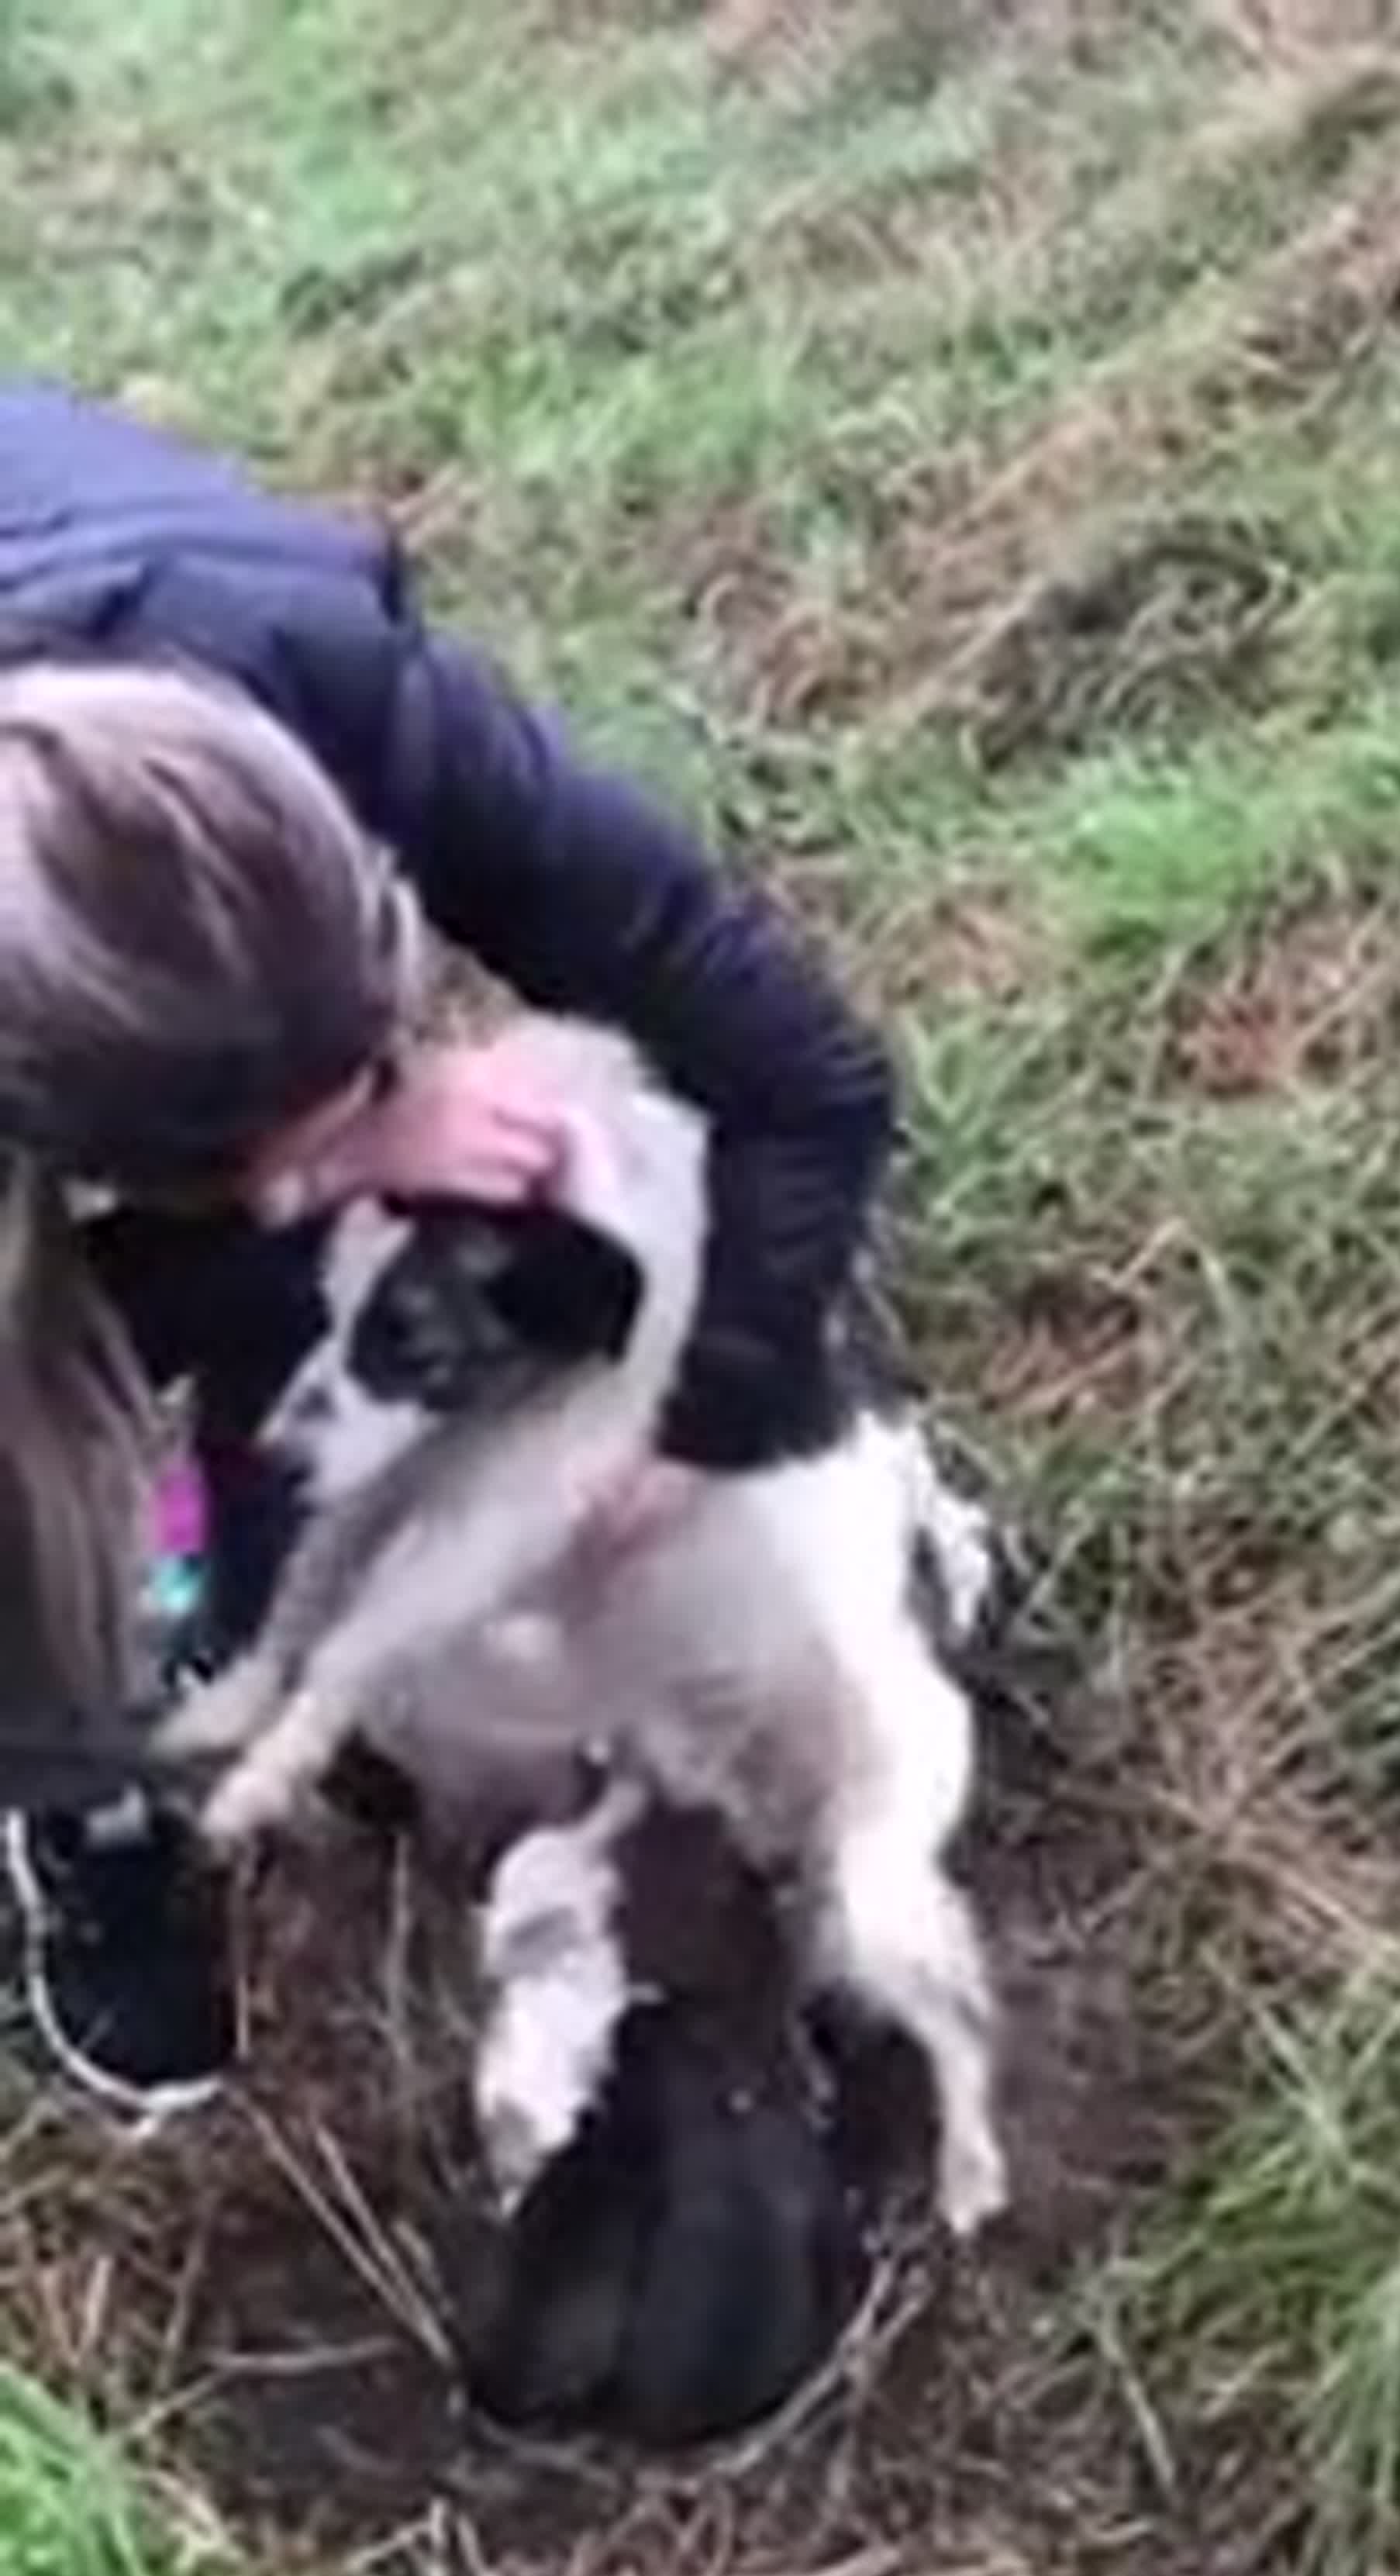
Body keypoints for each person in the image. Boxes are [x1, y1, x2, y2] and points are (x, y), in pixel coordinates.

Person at [0, 380, 895, 2120]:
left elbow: (803, 1076)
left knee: (444, 1208)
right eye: (268, 1154)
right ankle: (86, 1808)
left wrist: (706, 1407)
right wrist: (308, 1178)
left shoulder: (326, 678)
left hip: (122, 622)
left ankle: (265, 1603)